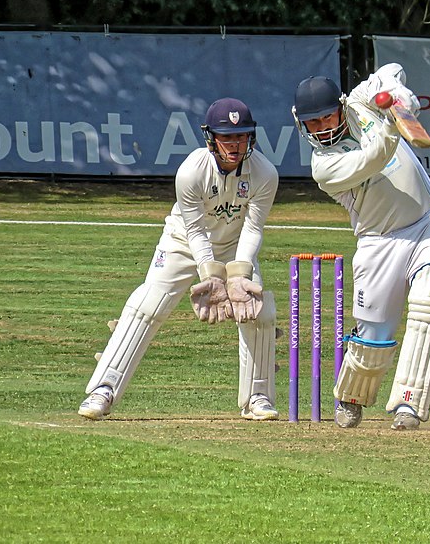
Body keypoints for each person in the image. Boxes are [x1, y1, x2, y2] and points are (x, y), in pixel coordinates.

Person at [78, 97, 280, 421]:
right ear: (211, 138)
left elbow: (253, 228)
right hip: (182, 242)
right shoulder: (191, 172)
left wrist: (239, 275)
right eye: (227, 137)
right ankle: (103, 390)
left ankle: (257, 397)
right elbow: (196, 231)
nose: (235, 144)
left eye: (241, 136)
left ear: (251, 137)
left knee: (257, 309)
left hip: (235, 245)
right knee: (149, 304)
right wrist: (211, 276)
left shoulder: (265, 173)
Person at [292, 64, 430, 430]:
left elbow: (392, 70)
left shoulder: (358, 105)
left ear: (340, 107)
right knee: (373, 336)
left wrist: (397, 97)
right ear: (302, 125)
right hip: (378, 241)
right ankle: (352, 395)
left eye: (328, 117)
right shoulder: (324, 166)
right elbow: (375, 158)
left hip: (428, 222)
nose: (323, 127)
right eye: (314, 123)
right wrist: (390, 125)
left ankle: (409, 404)